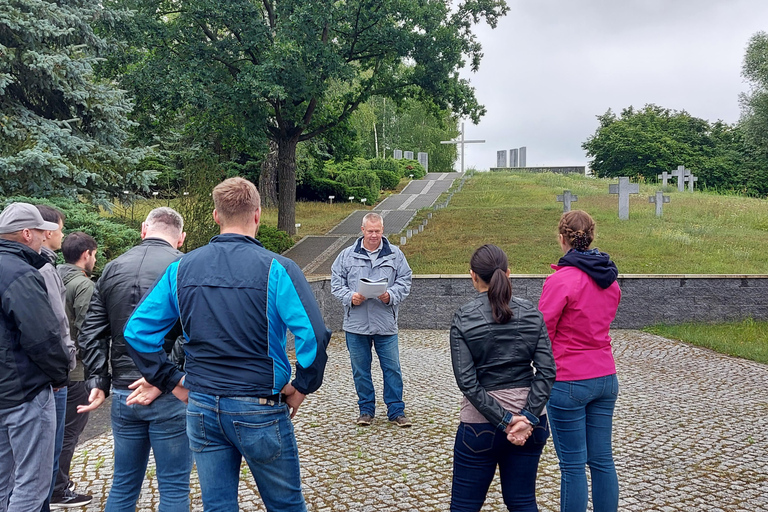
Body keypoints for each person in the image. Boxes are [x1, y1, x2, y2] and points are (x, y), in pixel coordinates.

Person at [123, 177, 330, 512]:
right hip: (259, 405)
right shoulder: (278, 269)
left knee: (218, 506)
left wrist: (170, 380)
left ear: (216, 216)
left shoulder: (182, 267)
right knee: (286, 505)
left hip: (202, 405)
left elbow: (137, 332)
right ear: (258, 215)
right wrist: (302, 385)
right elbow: (314, 335)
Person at [77, 207, 192, 512]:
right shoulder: (184, 268)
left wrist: (99, 380)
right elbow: (195, 332)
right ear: (180, 238)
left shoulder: (113, 268)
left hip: (124, 390)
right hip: (169, 391)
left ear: (143, 230)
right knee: (175, 487)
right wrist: (164, 376)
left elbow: (90, 331)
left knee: (124, 484)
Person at [449, 244, 556, 512]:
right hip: (531, 425)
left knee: (464, 506)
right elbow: (547, 371)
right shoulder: (531, 313)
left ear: (473, 276)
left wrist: (505, 420)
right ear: (509, 273)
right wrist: (528, 417)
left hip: (480, 425)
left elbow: (467, 381)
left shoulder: (463, 317)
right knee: (522, 502)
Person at [538, 210, 622, 512]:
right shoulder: (609, 279)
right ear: (592, 237)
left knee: (572, 465)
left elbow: (542, 332)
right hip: (606, 375)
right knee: (602, 460)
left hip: (569, 378)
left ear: (562, 239)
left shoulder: (562, 281)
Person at [0, 202, 70, 512]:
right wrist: (58, 376)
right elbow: (44, 336)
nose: (45, 238)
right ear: (27, 234)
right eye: (41, 233)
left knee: (3, 480)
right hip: (25, 391)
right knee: (33, 483)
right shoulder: (21, 272)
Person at [330, 212, 413, 427]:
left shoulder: (396, 255)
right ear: (362, 230)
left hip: (386, 323)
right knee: (360, 370)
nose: (374, 235)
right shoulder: (346, 255)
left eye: (377, 231)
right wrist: (350, 297)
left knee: (392, 368)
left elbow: (405, 280)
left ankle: (396, 410)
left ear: (383, 230)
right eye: (370, 231)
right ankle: (366, 410)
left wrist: (391, 295)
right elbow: (336, 283)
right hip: (356, 324)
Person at [34, 205, 82, 511]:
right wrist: (63, 369)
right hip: (51, 379)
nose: (62, 235)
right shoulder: (44, 269)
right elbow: (56, 326)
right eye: (60, 229)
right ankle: (52, 495)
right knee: (47, 451)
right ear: (47, 231)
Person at [52, 232, 98, 508]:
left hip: (52, 369)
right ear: (86, 255)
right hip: (75, 370)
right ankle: (58, 488)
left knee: (55, 430)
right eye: (94, 254)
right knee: (69, 432)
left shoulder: (52, 275)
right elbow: (86, 330)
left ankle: (53, 483)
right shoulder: (83, 286)